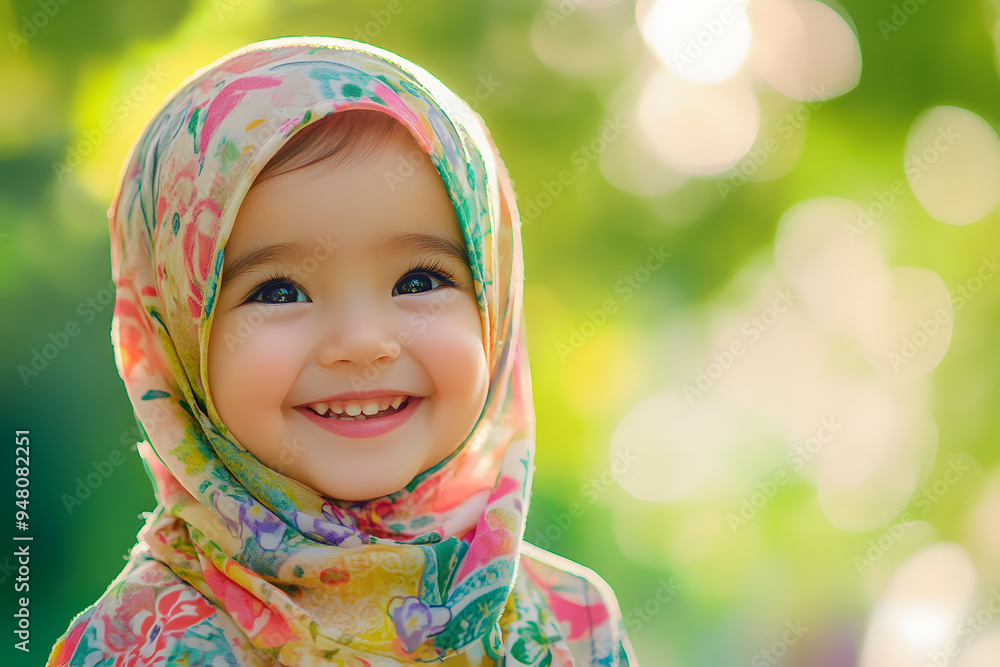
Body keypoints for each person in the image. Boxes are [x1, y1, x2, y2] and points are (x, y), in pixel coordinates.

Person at [47, 36, 637, 666]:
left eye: (420, 281)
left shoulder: (574, 624)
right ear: (179, 336)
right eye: (278, 291)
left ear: (494, 303)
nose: (361, 342)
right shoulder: (139, 645)